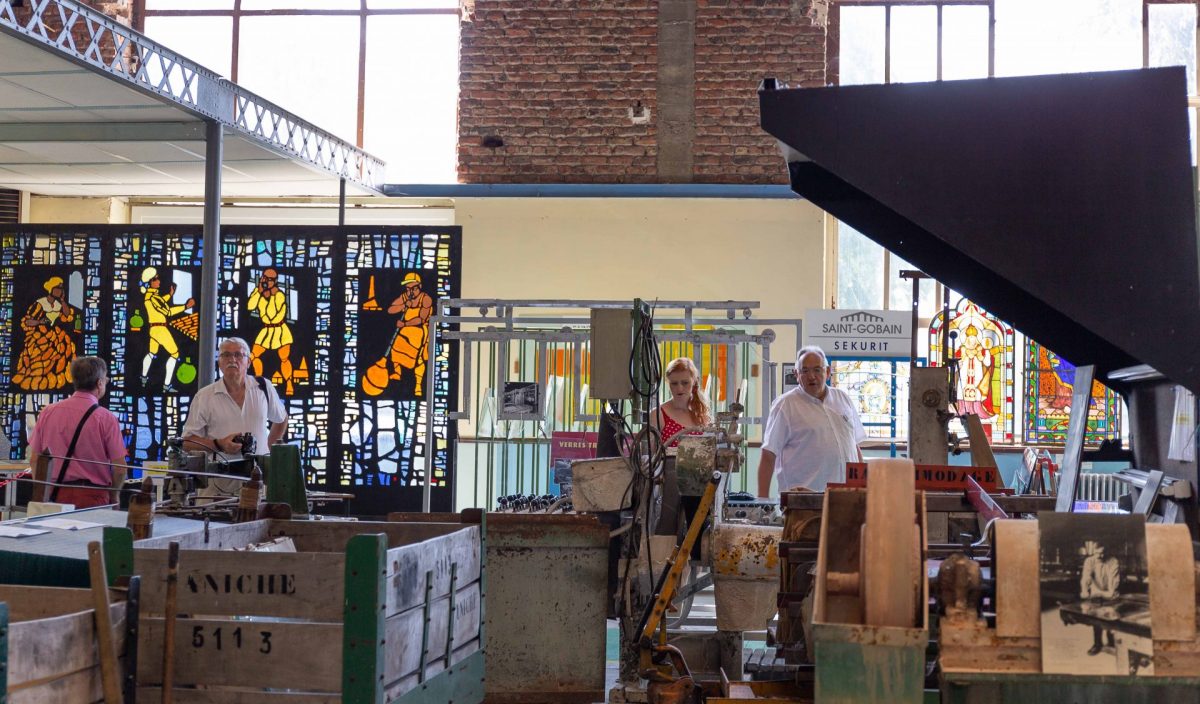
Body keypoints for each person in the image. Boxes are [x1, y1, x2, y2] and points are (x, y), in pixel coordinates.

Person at [182, 337, 287, 499]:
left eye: (238, 355)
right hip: (218, 484)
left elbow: (281, 419)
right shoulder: (204, 396)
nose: (232, 359)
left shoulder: (263, 388)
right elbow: (187, 442)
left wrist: (268, 450)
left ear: (249, 362)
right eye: (226, 355)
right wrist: (219, 444)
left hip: (257, 480)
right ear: (219, 363)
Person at [757, 346, 865, 496]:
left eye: (817, 370)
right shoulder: (785, 405)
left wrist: (862, 487)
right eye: (805, 371)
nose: (811, 376)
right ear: (796, 374)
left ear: (827, 372)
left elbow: (853, 445)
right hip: (803, 502)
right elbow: (768, 455)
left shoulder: (842, 398)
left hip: (845, 498)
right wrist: (762, 501)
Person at [27, 356, 126, 508]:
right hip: (92, 498)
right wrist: (115, 497)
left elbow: (35, 459)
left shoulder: (48, 412)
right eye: (106, 380)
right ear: (99, 383)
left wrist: (44, 490)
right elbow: (120, 468)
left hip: (53, 495)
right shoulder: (106, 418)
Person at [13, 276, 78, 391]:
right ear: (51, 289)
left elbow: (67, 315)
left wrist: (63, 301)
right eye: (57, 288)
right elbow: (28, 321)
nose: (60, 291)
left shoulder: (58, 305)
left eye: (61, 288)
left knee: (65, 347)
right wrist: (40, 322)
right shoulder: (40, 303)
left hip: (53, 333)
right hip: (39, 334)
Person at [140, 267, 195, 392]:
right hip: (160, 329)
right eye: (156, 279)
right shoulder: (153, 298)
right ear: (150, 282)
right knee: (175, 354)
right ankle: (166, 385)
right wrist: (186, 306)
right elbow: (168, 312)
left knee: (151, 353)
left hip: (153, 329)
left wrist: (170, 295)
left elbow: (162, 301)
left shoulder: (151, 296)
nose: (159, 280)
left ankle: (143, 378)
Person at [247, 268, 295, 395]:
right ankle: (259, 382)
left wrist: (270, 295)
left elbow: (273, 315)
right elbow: (250, 306)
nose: (266, 281)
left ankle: (289, 383)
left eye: (269, 279)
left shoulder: (280, 295)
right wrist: (258, 291)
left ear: (275, 281)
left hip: (280, 331)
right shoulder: (259, 293)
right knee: (254, 355)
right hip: (266, 331)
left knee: (284, 358)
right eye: (265, 278)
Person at [385, 272, 433, 396]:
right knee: (395, 350)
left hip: (420, 331)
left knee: (419, 359)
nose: (411, 291)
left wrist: (405, 324)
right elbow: (390, 309)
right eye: (408, 288)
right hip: (405, 330)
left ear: (419, 286)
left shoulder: (426, 299)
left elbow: (421, 319)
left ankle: (418, 386)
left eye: (413, 288)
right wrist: (403, 305)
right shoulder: (405, 296)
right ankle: (397, 373)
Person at [649, 357, 712, 446]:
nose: (679, 388)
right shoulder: (658, 415)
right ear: (668, 383)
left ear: (694, 382)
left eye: (685, 383)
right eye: (674, 383)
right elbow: (650, 456)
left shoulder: (701, 413)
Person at [1080, 540, 1121, 656]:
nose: (1101, 556)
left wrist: (1099, 592)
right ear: (1093, 552)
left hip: (1110, 596)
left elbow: (1113, 586)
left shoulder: (1113, 561)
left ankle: (1111, 642)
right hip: (1097, 595)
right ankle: (1097, 644)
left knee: (1111, 618)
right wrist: (1084, 590)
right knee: (1096, 619)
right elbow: (1085, 578)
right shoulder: (1089, 561)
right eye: (1098, 554)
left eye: (1103, 553)